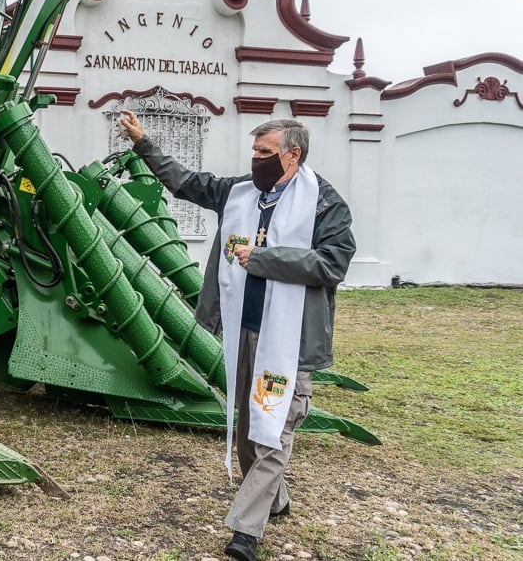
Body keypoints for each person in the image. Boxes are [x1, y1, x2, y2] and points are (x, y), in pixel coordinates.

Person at [117, 111, 356, 561]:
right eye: (254, 150)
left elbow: (333, 263)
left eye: (265, 152)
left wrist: (264, 258)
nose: (255, 159)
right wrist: (143, 142)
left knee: (275, 426)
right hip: (246, 329)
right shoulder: (243, 192)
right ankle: (274, 497)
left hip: (289, 338)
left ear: (293, 155)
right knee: (249, 426)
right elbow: (186, 183)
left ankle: (246, 529)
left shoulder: (325, 204)